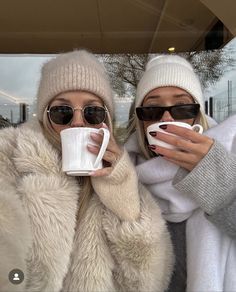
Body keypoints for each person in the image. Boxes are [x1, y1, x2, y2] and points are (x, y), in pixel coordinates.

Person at [0, 50, 174, 292]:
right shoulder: (9, 157)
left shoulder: (121, 173)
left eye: (93, 112)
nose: (78, 123)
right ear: (43, 117)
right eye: (63, 112)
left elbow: (145, 284)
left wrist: (124, 199)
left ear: (107, 122)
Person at [125, 54, 236, 292]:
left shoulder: (231, 157)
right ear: (141, 122)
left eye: (183, 107)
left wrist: (217, 181)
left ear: (198, 116)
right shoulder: (123, 176)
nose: (166, 118)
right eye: (152, 110)